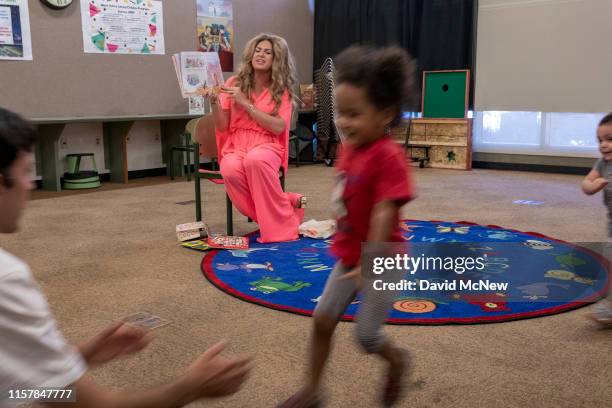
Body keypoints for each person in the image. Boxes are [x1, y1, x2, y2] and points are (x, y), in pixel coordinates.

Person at [0, 108, 252, 407]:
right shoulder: (8, 279)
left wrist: (78, 358)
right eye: (26, 172)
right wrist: (191, 386)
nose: (31, 185)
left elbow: (20, 391)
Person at [278, 45, 417, 408]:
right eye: (341, 113)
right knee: (322, 320)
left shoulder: (389, 157)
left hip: (382, 259)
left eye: (355, 114)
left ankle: (397, 359)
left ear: (385, 113)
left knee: (367, 337)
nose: (344, 122)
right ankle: (311, 392)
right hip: (349, 254)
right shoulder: (351, 147)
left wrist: (368, 264)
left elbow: (384, 212)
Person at [199, 33, 305, 243]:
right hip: (236, 145)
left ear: (277, 59)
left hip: (267, 144)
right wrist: (214, 102)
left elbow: (278, 127)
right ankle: (285, 205)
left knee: (255, 160)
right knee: (229, 169)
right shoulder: (234, 82)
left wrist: (245, 103)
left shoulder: (281, 90)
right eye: (258, 50)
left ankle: (277, 228)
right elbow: (222, 126)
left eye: (268, 52)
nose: (261, 55)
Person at [581, 112, 612, 328]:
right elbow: (586, 184)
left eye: (610, 139)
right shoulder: (601, 164)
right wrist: (595, 185)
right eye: (600, 140)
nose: (603, 145)